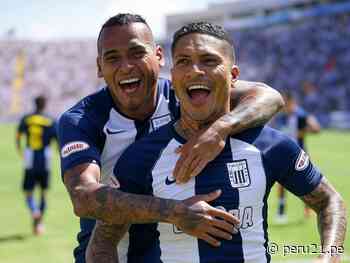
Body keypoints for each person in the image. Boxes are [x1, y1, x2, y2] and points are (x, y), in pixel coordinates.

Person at [87, 22, 346, 263]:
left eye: (209, 61)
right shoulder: (142, 156)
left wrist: (329, 257)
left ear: (233, 75)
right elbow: (101, 242)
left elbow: (329, 201)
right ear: (174, 75)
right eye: (184, 62)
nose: (195, 71)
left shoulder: (270, 145)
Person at [57, 14, 284, 263]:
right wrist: (175, 211)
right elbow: (83, 196)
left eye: (136, 53)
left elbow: (268, 96)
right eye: (113, 58)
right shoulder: (82, 120)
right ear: (100, 67)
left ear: (159, 56)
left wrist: (219, 129)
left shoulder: (186, 95)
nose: (126, 66)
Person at [275, 91, 321, 222]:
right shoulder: (281, 117)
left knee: (305, 182)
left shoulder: (301, 115)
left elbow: (316, 128)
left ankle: (308, 209)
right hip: (284, 153)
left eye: (286, 103)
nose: (284, 106)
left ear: (292, 102)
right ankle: (281, 211)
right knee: (281, 183)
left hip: (300, 154)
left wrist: (302, 131)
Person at [16, 95, 57, 235]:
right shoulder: (50, 120)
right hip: (45, 157)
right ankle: (39, 223)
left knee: (28, 191)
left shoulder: (26, 119)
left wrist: (20, 150)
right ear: (45, 105)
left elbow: (18, 136)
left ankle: (34, 211)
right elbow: (57, 140)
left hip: (30, 156)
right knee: (44, 192)